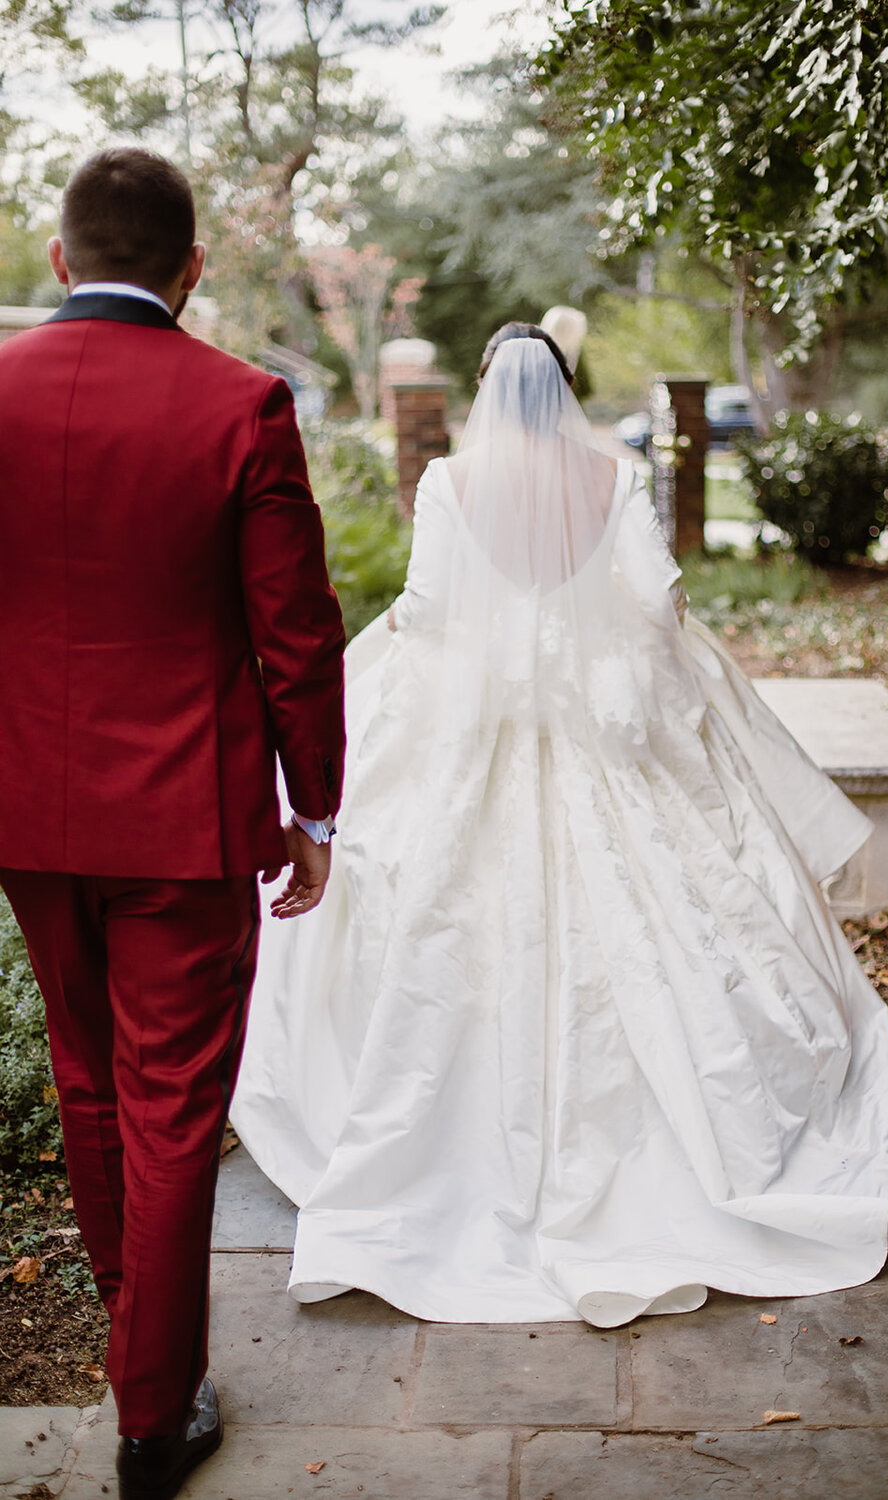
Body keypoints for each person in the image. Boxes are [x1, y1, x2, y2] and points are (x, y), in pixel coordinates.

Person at [232, 321, 888, 1329]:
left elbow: (431, 608)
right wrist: (600, 650)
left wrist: (455, 640)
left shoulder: (448, 481)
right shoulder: (609, 479)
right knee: (683, 902)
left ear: (484, 389)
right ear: (565, 389)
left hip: (481, 726)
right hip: (600, 722)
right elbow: (657, 601)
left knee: (436, 896)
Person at [0, 148, 346, 1500]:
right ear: (192, 268)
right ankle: (155, 1411)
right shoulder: (241, 404)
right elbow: (298, 637)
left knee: (90, 1079)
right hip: (186, 826)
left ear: (60, 260)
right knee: (171, 1103)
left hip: (28, 814)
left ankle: (136, 1343)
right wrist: (313, 806)